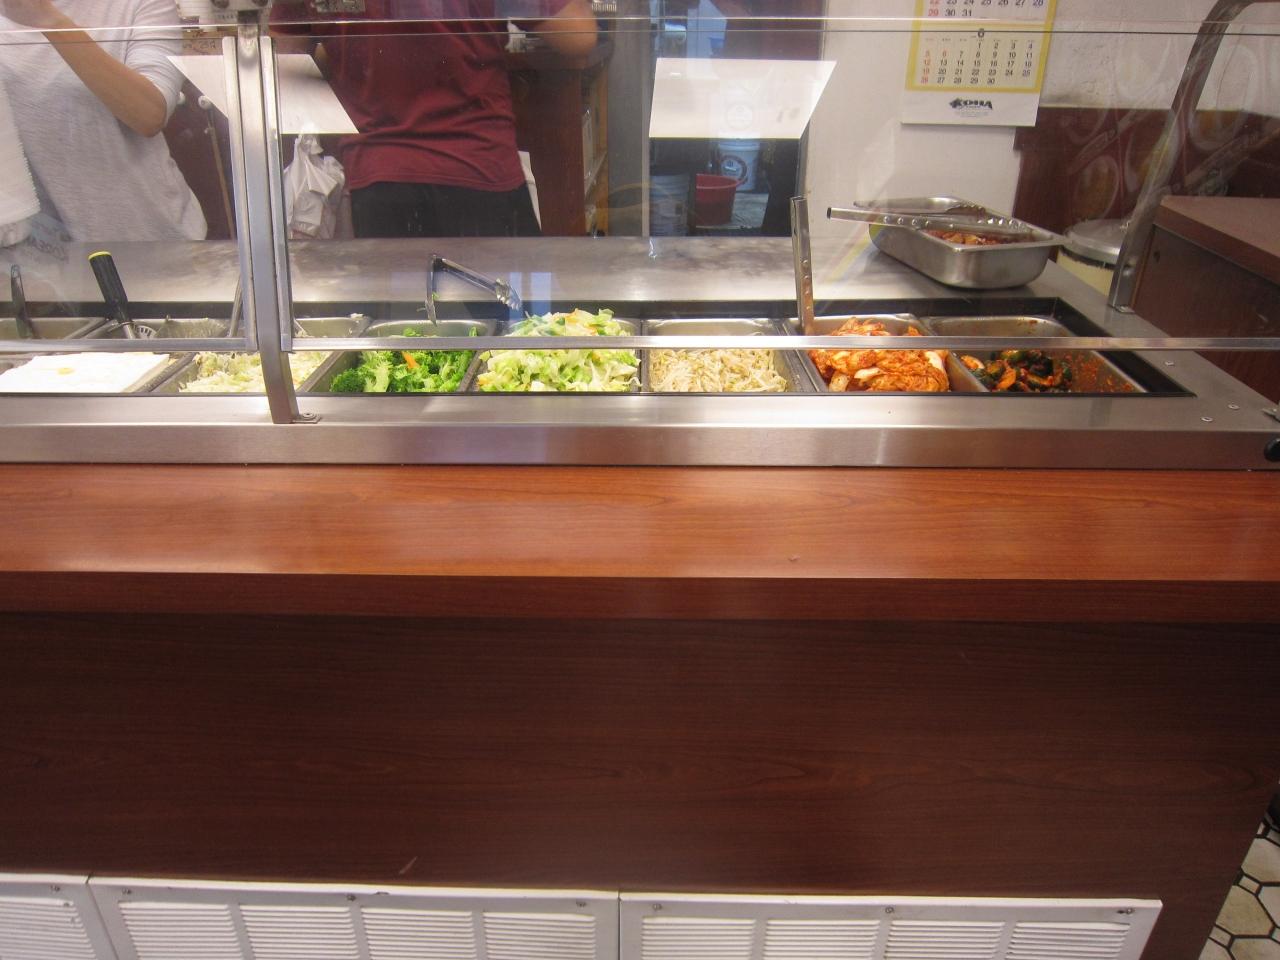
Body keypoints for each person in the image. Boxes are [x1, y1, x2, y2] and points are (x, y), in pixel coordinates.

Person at [272, 0, 597, 238]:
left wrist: (340, 51)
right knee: (511, 312)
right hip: (478, 166)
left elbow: (282, 54)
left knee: (406, 311)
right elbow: (578, 35)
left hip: (379, 177)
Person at [0, 0, 207, 242]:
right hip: (34, 247)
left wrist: (49, 21)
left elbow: (150, 115)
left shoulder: (139, 4)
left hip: (147, 238)